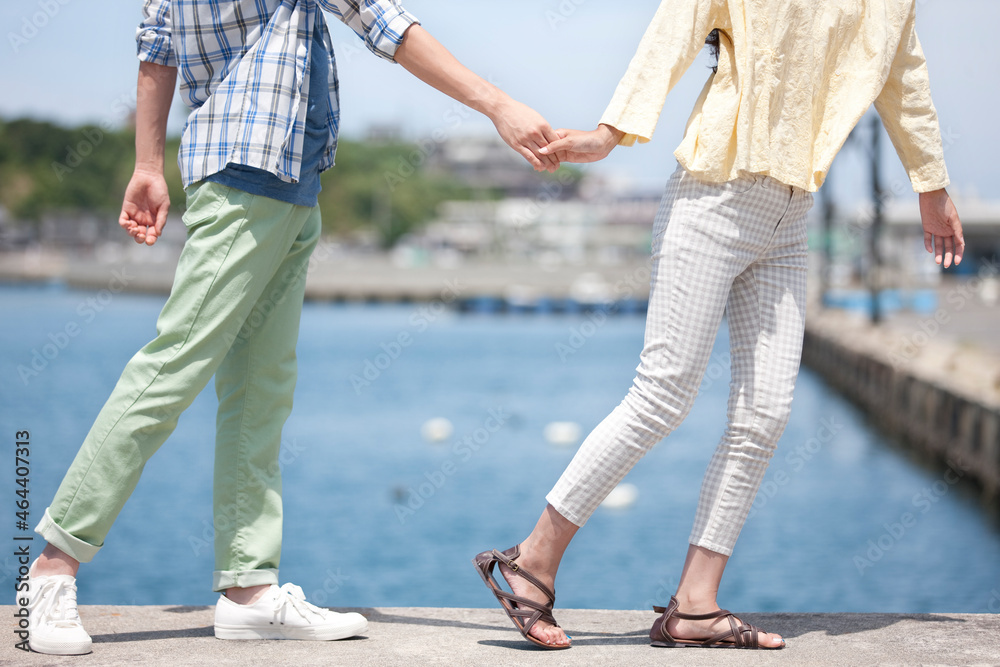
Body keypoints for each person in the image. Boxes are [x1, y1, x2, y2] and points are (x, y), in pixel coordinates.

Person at [22, 0, 561, 656]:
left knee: (261, 388)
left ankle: (248, 589)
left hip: (288, 180)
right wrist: (497, 104)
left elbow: (157, 43)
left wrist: (146, 164)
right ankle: (53, 568)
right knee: (172, 365)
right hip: (249, 174)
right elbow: (378, 20)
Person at [473, 0, 964, 650]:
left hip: (792, 211)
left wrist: (930, 182)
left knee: (765, 411)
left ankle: (695, 606)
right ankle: (528, 561)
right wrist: (610, 132)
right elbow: (677, 24)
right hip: (714, 192)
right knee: (662, 396)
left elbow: (903, 76)